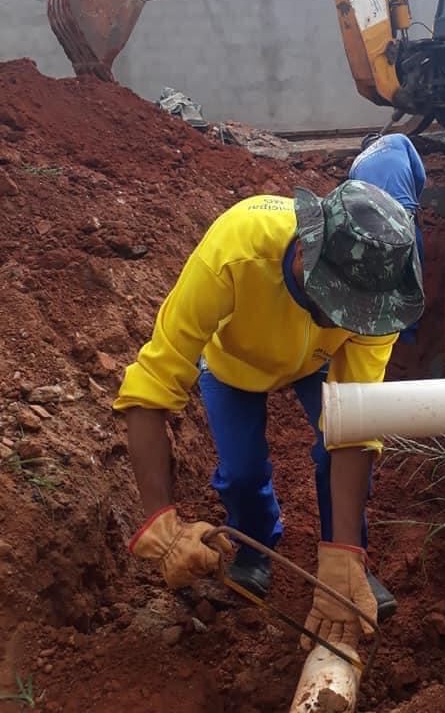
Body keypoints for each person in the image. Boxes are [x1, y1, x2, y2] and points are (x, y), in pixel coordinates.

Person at [114, 180, 424, 649]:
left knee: (332, 453)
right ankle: (255, 544)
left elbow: (355, 426)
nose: (345, 321)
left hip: (319, 361)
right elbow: (153, 382)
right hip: (235, 362)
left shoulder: (377, 300)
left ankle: (347, 563)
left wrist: (344, 554)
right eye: (334, 308)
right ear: (304, 253)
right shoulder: (235, 250)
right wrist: (161, 522)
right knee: (240, 472)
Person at [349, 132, 426, 343]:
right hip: (404, 217)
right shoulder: (398, 140)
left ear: (364, 149)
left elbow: (355, 202)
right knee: (413, 276)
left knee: (381, 279)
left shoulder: (356, 165)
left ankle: (380, 330)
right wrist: (413, 202)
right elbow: (420, 176)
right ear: (379, 138)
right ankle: (409, 336)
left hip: (375, 227)